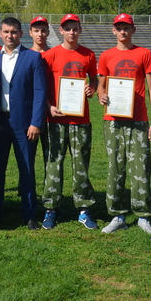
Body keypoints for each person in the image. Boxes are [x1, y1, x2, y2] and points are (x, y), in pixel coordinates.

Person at [97, 13, 151, 236]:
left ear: (133, 30)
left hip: (138, 118)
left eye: (127, 28)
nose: (123, 31)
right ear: (113, 30)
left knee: (141, 166)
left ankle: (143, 214)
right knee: (116, 165)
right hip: (113, 119)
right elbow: (101, 86)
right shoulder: (106, 56)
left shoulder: (144, 53)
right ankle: (117, 214)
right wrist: (101, 96)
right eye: (119, 28)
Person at [0, 17, 48, 230]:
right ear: (0, 34)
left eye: (13, 32)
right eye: (6, 32)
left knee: (27, 170)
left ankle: (29, 214)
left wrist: (36, 122)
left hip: (24, 124)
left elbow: (40, 92)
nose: (9, 35)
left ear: (21, 34)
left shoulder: (33, 58)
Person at [41, 14, 99, 230]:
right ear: (61, 31)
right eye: (68, 29)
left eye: (75, 28)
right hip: (56, 118)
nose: (72, 32)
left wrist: (91, 88)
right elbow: (43, 85)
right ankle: (50, 208)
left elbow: (94, 79)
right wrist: (48, 106)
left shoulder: (88, 54)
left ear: (80, 30)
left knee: (81, 164)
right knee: (54, 163)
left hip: (80, 119)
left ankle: (84, 209)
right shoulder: (50, 55)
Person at [29, 16, 52, 176]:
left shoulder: (54, 54)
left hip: (52, 113)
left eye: (43, 31)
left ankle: (49, 189)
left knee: (50, 154)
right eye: (36, 30)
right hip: (30, 112)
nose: (40, 34)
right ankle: (25, 188)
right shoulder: (24, 55)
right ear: (30, 33)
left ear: (48, 32)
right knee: (27, 153)